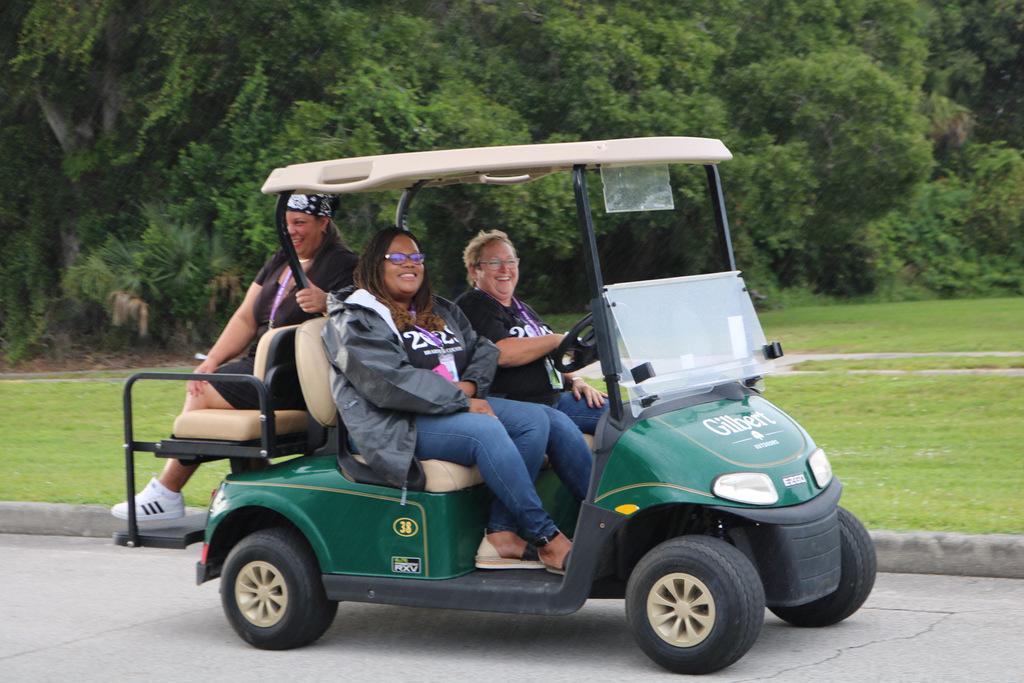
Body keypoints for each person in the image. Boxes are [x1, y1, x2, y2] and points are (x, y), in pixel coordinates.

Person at [322, 227, 590, 573]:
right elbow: (392, 383)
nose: (410, 265)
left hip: (450, 406)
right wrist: (462, 399)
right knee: (486, 431)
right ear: (375, 264)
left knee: (539, 419)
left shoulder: (437, 309)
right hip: (394, 422)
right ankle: (547, 537)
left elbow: (482, 349)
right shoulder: (354, 319)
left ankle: (508, 534)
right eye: (398, 258)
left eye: (416, 257)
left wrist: (470, 390)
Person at [112, 194, 358, 522]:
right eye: (286, 225)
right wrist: (212, 360)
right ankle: (260, 497)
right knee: (203, 382)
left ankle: (168, 491)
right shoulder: (281, 259)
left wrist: (327, 301)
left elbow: (359, 316)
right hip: (260, 366)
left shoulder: (343, 264)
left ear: (324, 223)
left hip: (294, 376)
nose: (291, 232)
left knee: (201, 394)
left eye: (300, 223)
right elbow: (245, 318)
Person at [456, 230, 608, 434]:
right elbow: (501, 353)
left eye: (511, 261)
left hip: (555, 399)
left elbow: (550, 352)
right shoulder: (474, 304)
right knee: (564, 429)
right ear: (475, 271)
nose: (505, 269)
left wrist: (576, 380)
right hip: (520, 404)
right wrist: (555, 339)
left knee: (617, 416)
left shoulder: (522, 309)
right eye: (494, 263)